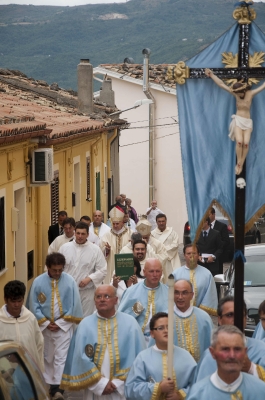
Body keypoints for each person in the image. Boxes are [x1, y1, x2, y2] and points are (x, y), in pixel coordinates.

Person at [61, 285, 146, 400]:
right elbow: (80, 358)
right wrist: (100, 384)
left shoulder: (131, 323)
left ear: (116, 300)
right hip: (94, 388)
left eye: (107, 296)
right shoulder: (85, 325)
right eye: (98, 296)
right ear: (94, 301)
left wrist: (118, 383)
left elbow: (138, 357)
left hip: (123, 387)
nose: (102, 299)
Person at [27, 252, 83, 400]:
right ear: (48, 267)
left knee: (61, 357)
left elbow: (74, 305)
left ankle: (58, 389)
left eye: (60, 270)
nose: (57, 273)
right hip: (44, 328)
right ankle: (46, 386)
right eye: (54, 270)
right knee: (47, 357)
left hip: (63, 328)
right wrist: (45, 322)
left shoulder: (70, 281)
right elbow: (34, 305)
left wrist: (59, 323)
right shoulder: (38, 282)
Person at [205, 68, 265, 175]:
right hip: (238, 120)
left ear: (244, 90)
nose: (239, 95)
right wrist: (212, 75)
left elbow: (263, 86)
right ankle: (239, 162)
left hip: (247, 122)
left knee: (246, 143)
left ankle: (241, 162)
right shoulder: (236, 94)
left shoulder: (250, 94)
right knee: (239, 142)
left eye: (240, 93)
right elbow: (221, 84)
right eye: (237, 93)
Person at [125, 312, 197, 400]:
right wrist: (158, 388)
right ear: (152, 333)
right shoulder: (143, 358)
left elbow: (197, 384)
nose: (166, 330)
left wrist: (180, 395)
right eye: (160, 328)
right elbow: (131, 389)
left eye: (168, 327)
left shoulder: (186, 356)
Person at [195, 296, 265, 382]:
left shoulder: (261, 350)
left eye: (240, 315)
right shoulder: (209, 357)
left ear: (245, 319)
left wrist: (251, 368)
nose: (235, 319)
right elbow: (200, 390)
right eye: (230, 315)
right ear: (220, 320)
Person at [187, 325, 265, 400]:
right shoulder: (197, 394)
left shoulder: (260, 390)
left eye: (237, 349)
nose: (232, 355)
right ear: (212, 352)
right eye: (225, 349)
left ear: (245, 352)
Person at [149, 279, 213, 363]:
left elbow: (213, 347)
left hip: (199, 371)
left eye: (185, 293)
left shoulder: (204, 318)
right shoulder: (163, 318)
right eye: (176, 293)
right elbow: (153, 350)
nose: (180, 297)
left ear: (192, 295)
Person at [60, 221, 107, 316]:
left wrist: (89, 278)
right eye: (78, 233)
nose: (80, 236)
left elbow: (103, 269)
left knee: (84, 319)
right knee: (68, 319)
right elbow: (58, 267)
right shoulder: (64, 248)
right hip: (68, 291)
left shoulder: (95, 250)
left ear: (88, 235)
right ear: (74, 233)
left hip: (86, 293)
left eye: (83, 234)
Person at [118, 258, 168, 344]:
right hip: (137, 339)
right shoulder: (131, 292)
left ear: (162, 272)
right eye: (151, 271)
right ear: (144, 272)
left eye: (158, 271)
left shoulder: (169, 292)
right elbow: (122, 318)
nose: (155, 275)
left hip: (162, 340)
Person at [0, 280, 44, 371]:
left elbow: (39, 344)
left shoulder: (30, 318)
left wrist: (39, 369)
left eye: (19, 301)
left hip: (28, 370)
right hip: (5, 373)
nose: (17, 305)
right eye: (13, 301)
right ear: (5, 299)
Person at [173, 244, 218, 316]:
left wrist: (199, 312)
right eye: (188, 253)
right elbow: (170, 295)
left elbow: (210, 295)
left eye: (194, 253)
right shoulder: (175, 274)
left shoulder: (207, 274)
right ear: (184, 255)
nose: (191, 256)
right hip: (178, 314)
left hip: (199, 315)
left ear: (198, 255)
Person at [100, 206, 132, 283]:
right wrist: (106, 250)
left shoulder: (130, 233)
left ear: (122, 222)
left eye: (117, 223)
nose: (115, 225)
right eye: (113, 223)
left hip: (126, 264)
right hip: (111, 265)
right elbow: (101, 250)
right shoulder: (107, 235)